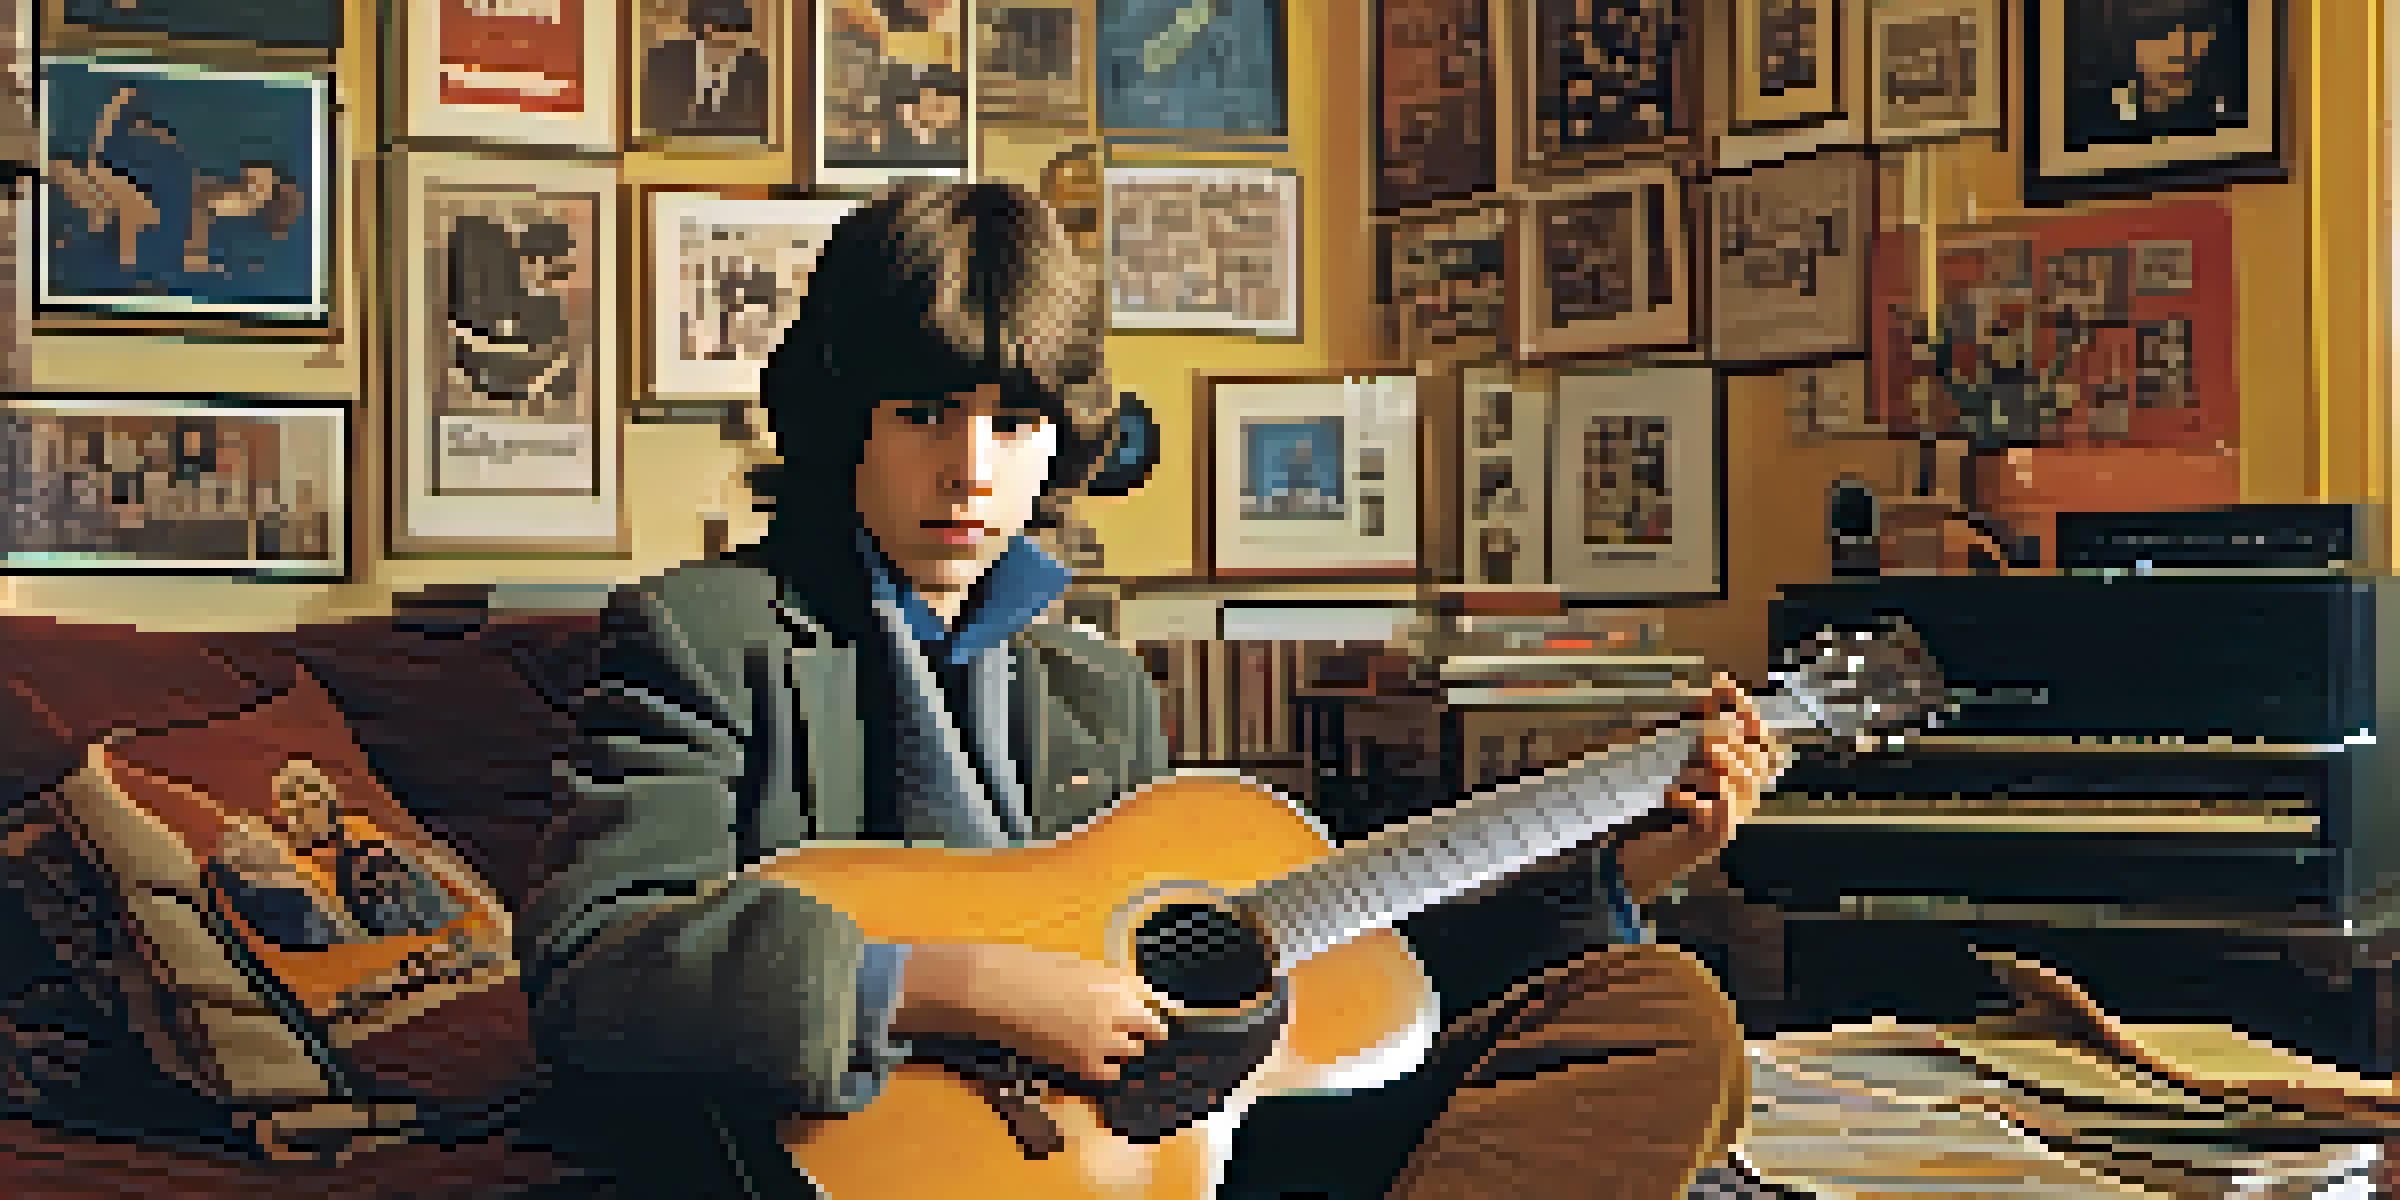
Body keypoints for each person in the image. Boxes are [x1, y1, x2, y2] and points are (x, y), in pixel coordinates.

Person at [517, 180, 1782, 1199]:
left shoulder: (1096, 689)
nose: (970, 468)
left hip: (1150, 1143)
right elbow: (597, 968)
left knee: (1653, 1010)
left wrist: (1627, 866)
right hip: (878, 1153)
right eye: (923, 414)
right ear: (845, 413)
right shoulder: (707, 633)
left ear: (1060, 442)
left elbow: (1313, 972)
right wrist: (955, 984)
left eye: (1015, 424)